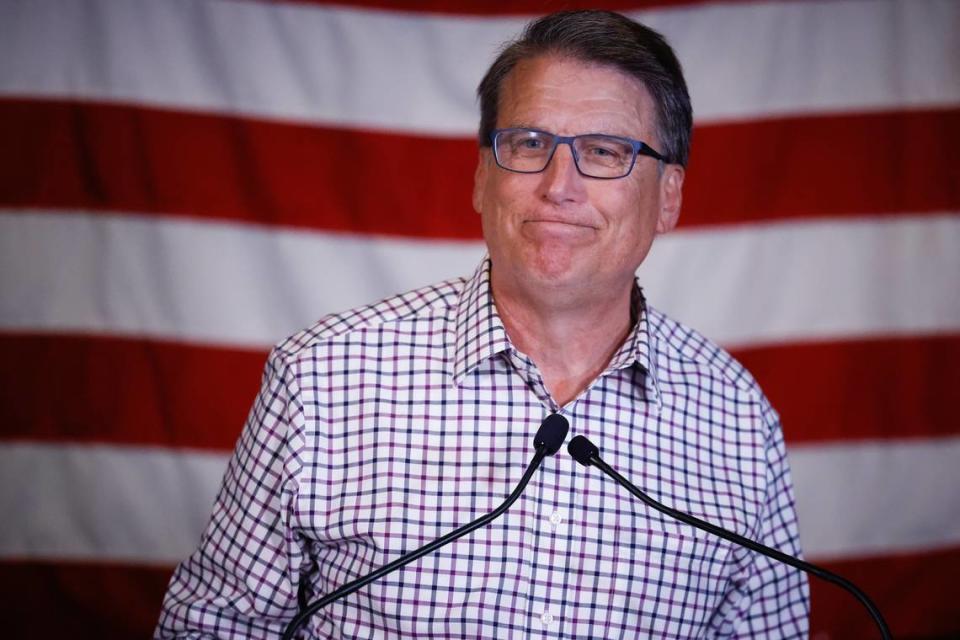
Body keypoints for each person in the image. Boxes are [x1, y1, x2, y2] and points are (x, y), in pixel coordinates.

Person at [157, 10, 809, 638]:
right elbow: (211, 629)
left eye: (605, 152)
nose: (560, 186)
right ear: (480, 178)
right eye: (528, 143)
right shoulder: (323, 377)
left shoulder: (737, 421)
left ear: (668, 196)